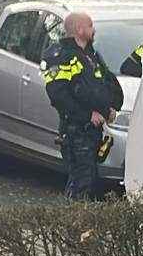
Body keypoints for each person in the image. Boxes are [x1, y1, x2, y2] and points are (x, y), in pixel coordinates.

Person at [42, 11, 123, 201]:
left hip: (93, 132)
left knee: (88, 180)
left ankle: (78, 216)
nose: (94, 30)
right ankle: (73, 217)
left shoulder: (90, 55)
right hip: (76, 130)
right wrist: (87, 115)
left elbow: (105, 83)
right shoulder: (61, 57)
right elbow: (59, 96)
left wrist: (111, 107)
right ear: (79, 29)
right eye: (90, 25)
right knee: (80, 181)